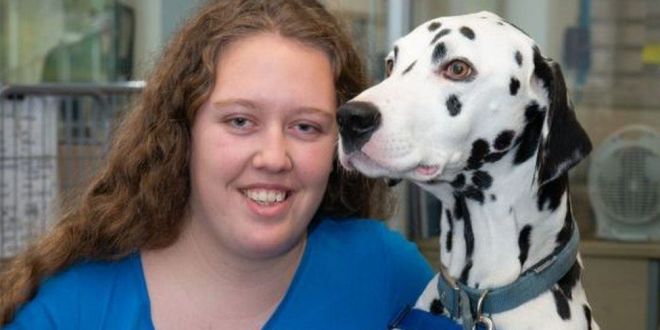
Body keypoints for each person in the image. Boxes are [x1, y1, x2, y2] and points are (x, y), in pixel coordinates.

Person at [0, 1, 434, 329]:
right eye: (240, 121)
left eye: (306, 127)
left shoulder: (384, 274)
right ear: (181, 133)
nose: (273, 157)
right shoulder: (71, 310)